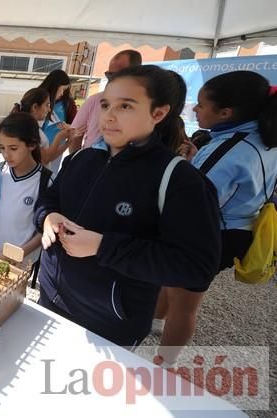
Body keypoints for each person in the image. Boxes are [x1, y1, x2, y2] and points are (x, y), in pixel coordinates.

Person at [37, 65, 221, 348]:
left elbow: (195, 266)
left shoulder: (178, 179)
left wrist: (103, 246)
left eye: (126, 106)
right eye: (106, 104)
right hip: (51, 298)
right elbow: (49, 200)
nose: (109, 116)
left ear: (158, 113)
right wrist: (49, 217)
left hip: (109, 322)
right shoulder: (82, 159)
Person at [154, 71, 277, 364]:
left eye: (200, 105)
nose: (195, 110)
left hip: (212, 232)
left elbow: (194, 201)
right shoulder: (261, 139)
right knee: (172, 282)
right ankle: (154, 322)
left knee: (185, 305)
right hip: (237, 228)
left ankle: (162, 364)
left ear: (225, 112)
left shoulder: (230, 148)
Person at [0, 112, 51, 266]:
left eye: (13, 148)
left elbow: (46, 230)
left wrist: (19, 253)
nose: (6, 154)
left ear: (32, 144)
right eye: (2, 148)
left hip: (20, 264)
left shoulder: (45, 182)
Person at [69, 49, 143, 152]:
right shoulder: (94, 100)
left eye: (118, 75)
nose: (112, 79)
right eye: (109, 74)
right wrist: (77, 161)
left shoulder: (143, 106)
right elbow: (76, 134)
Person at [12, 87, 81, 171]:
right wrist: (59, 137)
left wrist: (68, 142)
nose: (49, 110)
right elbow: (45, 159)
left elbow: (49, 156)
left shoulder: (28, 126)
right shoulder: (29, 129)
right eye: (47, 105)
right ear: (35, 107)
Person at [38, 69, 76, 174]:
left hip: (56, 150)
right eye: (62, 89)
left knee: (48, 176)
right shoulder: (37, 97)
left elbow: (76, 125)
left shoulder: (67, 103)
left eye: (65, 89)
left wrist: (68, 127)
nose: (63, 93)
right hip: (37, 147)